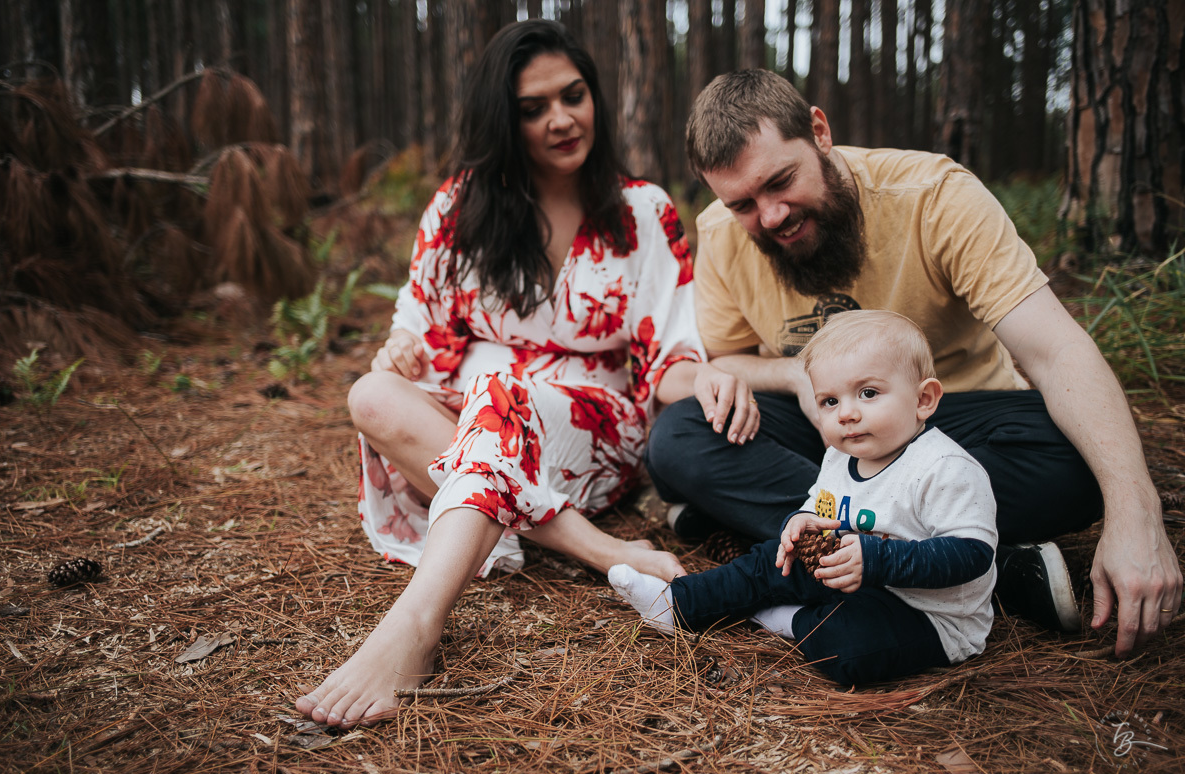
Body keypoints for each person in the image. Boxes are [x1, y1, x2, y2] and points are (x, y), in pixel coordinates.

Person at [295, 20, 755, 729]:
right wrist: (400, 350)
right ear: (504, 121)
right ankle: (600, 550)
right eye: (533, 108)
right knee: (371, 395)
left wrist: (707, 379)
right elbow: (416, 321)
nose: (561, 119)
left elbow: (670, 353)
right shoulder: (460, 206)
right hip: (478, 413)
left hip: (593, 425)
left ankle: (416, 624)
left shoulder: (642, 210)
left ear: (593, 95)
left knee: (499, 397)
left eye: (573, 96)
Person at [645, 69, 1181, 658]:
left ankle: (799, 536)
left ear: (820, 132)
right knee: (680, 434)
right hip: (828, 429)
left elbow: (1057, 352)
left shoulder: (934, 196)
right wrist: (793, 376)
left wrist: (1136, 511)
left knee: (1075, 454)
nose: (770, 216)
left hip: (947, 429)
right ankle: (980, 565)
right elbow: (729, 359)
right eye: (743, 204)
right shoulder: (722, 233)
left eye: (781, 182)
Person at [611, 310, 998, 685]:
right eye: (830, 401)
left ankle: (789, 619)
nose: (846, 414)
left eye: (868, 393)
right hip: (845, 575)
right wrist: (799, 521)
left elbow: (972, 554)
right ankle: (677, 603)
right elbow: (818, 506)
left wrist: (878, 560)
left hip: (926, 613)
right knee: (768, 561)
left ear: (923, 399)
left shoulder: (943, 468)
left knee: (850, 649)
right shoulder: (840, 457)